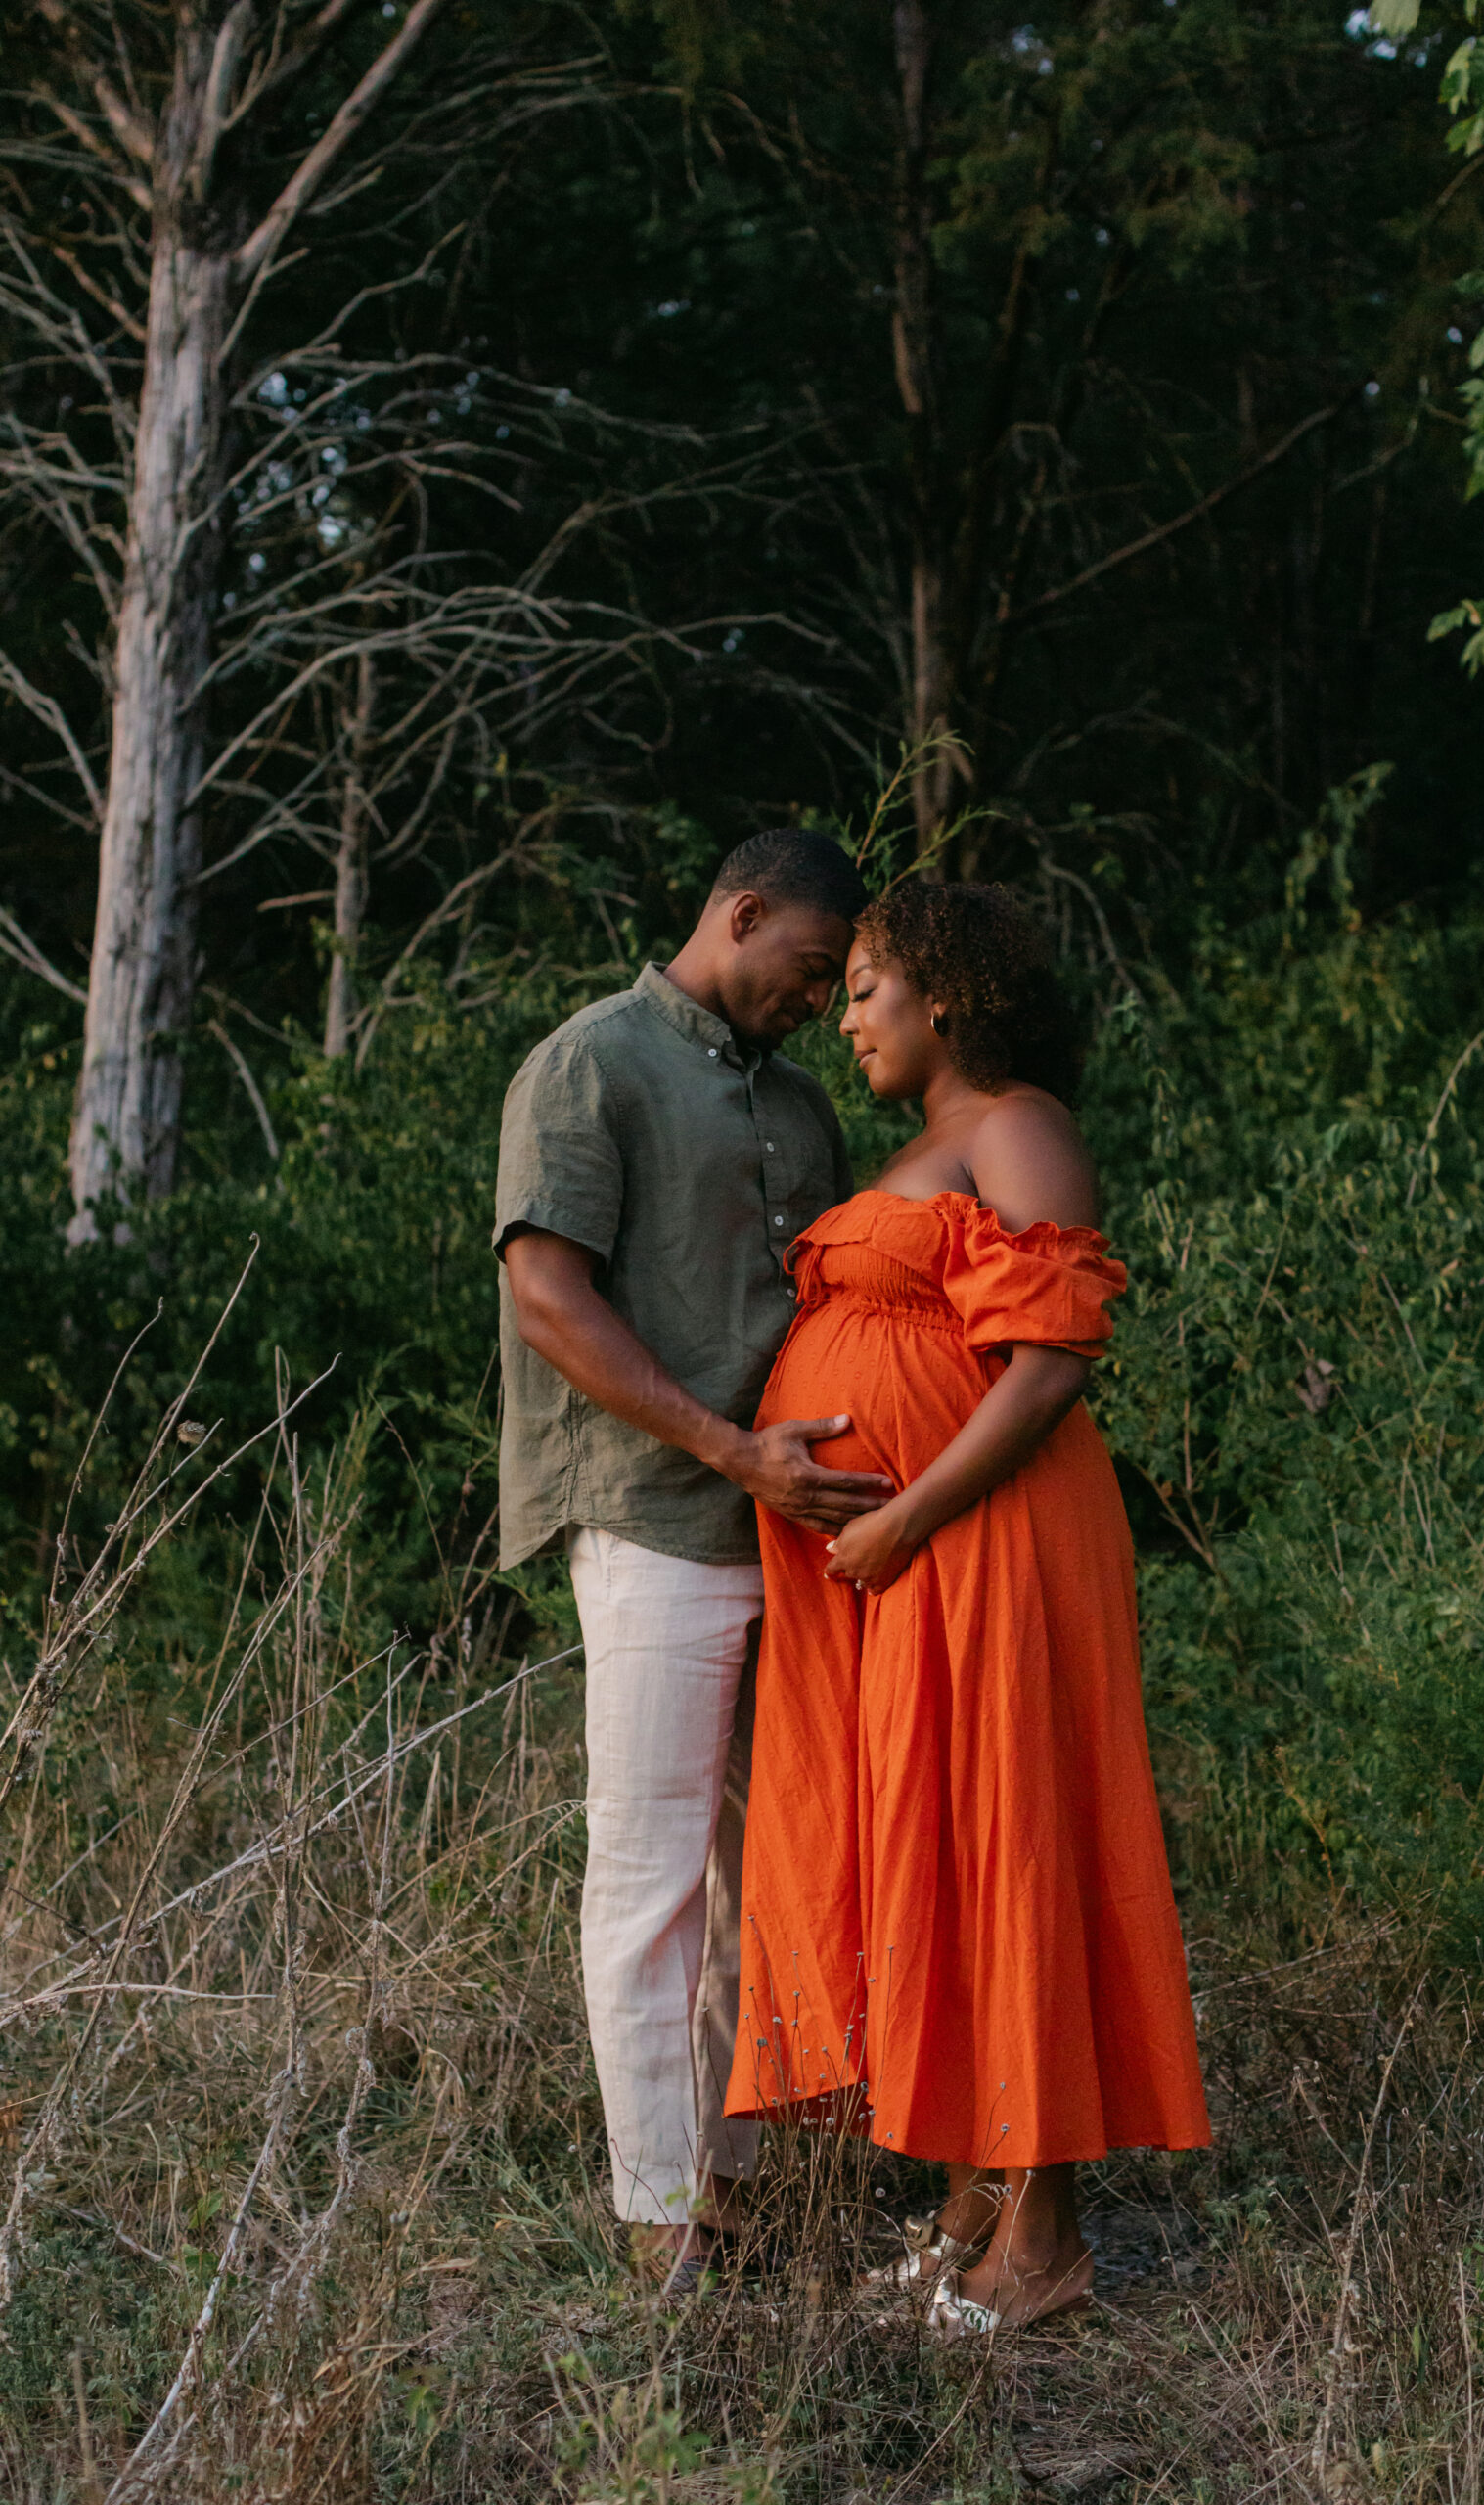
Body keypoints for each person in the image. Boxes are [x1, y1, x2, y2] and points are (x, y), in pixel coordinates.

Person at [724, 882, 1210, 2335]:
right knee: (924, 1839)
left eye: (865, 985)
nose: (846, 1014)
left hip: (988, 1535)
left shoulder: (1018, 1125)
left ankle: (1044, 2234)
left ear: (945, 996)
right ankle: (971, 2200)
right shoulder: (924, 1146)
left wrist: (901, 1516)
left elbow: (1052, 1364)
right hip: (907, 1552)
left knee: (1009, 1836)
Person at [494, 829, 892, 2294]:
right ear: (740, 914)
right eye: (804, 969)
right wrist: (734, 1455)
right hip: (661, 1520)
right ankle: (659, 2210)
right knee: (649, 1871)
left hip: (798, 1540)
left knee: (761, 1862)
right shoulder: (590, 1062)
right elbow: (547, 1296)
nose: (817, 1003)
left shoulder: (797, 1100)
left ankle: (732, 2177)